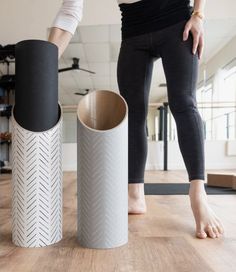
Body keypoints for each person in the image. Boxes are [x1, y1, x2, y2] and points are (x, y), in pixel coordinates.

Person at [48, 0, 225, 239]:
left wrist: (199, 14)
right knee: (132, 116)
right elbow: (70, 11)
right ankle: (134, 196)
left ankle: (198, 195)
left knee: (183, 102)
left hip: (175, 20)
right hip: (132, 29)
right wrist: (44, 64)